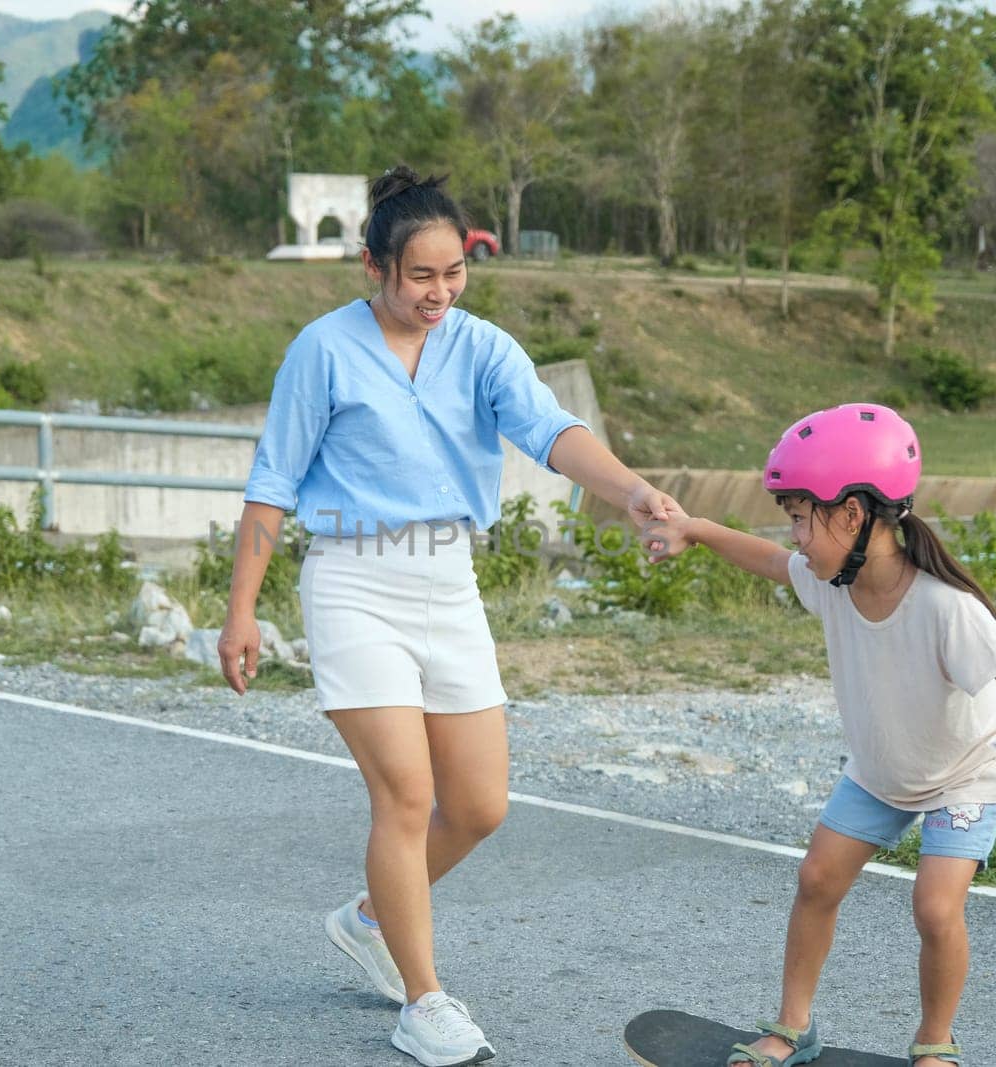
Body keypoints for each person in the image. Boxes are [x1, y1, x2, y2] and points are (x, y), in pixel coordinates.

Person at [218, 166, 681, 1067]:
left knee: (479, 806)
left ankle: (368, 917)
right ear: (374, 267)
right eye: (419, 275)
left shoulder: (483, 347)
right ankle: (423, 1000)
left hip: (449, 579)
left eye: (454, 273)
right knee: (407, 793)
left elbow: (551, 432)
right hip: (352, 581)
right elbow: (273, 484)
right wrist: (241, 611)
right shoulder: (323, 349)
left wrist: (632, 492)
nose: (439, 292)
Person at [641, 403, 996, 1067]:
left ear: (851, 514)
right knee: (817, 879)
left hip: (964, 771)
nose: (791, 535)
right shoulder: (831, 583)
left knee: (934, 907)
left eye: (797, 516)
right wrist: (694, 528)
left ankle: (935, 1042)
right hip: (881, 768)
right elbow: (763, 559)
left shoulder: (942, 606)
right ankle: (792, 1027)